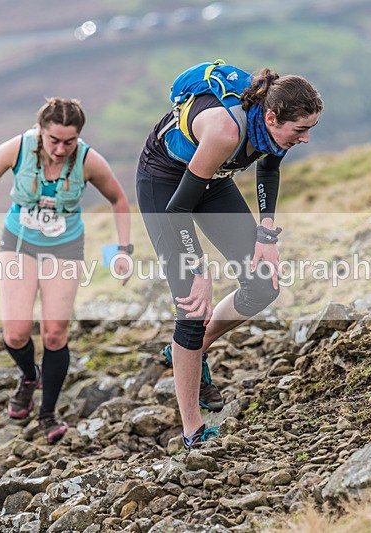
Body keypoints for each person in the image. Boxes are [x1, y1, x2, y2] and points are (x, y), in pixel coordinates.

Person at [136, 66, 322, 449]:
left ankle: (189, 352)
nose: (304, 139)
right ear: (271, 117)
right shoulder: (226, 131)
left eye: (310, 130)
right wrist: (198, 268)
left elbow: (269, 164)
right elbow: (178, 210)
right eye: (300, 130)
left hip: (213, 181)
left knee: (263, 285)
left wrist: (266, 234)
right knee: (191, 306)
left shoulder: (271, 128)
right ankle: (193, 431)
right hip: (165, 184)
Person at [0, 97, 132, 444]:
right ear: (41, 131)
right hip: (20, 242)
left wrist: (121, 250)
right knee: (16, 334)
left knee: (54, 335)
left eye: (70, 141)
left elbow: (119, 200)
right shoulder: (15, 149)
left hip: (65, 247)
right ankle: (28, 375)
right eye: (54, 140)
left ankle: (47, 414)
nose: (62, 148)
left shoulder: (89, 160)